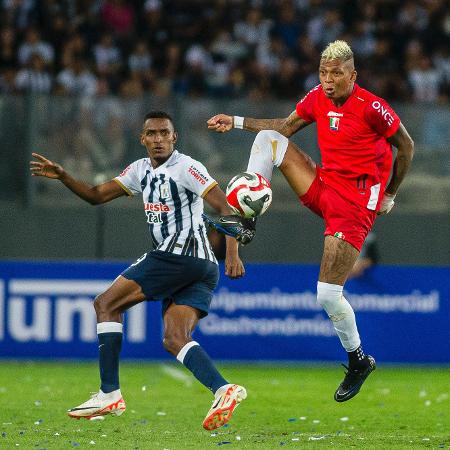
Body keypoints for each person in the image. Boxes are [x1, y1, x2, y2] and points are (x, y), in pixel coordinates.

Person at [205, 40, 414, 402]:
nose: (329, 80)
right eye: (323, 73)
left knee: (328, 295)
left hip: (354, 205)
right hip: (325, 186)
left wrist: (390, 194)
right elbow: (283, 127)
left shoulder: (372, 106)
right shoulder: (317, 97)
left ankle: (358, 360)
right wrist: (236, 121)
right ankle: (248, 220)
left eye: (337, 74)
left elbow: (406, 146)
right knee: (269, 140)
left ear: (353, 75)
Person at [30, 111, 247, 430]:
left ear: (175, 138)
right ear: (142, 139)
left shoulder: (187, 167)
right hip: (200, 267)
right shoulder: (139, 171)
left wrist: (233, 252)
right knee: (175, 338)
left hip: (178, 257)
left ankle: (109, 394)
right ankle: (223, 389)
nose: (158, 139)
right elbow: (96, 195)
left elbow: (225, 206)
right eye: (152, 134)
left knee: (105, 304)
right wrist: (64, 175)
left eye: (164, 133)